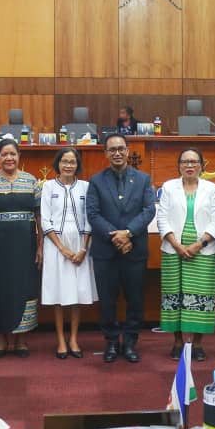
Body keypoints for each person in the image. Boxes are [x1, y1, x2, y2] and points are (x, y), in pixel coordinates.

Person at [86, 134, 155, 363]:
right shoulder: (96, 181)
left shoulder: (143, 179)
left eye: (120, 149)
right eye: (112, 149)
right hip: (106, 252)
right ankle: (112, 342)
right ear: (106, 153)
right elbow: (93, 213)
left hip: (134, 250)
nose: (117, 153)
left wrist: (128, 233)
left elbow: (148, 210)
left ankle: (131, 343)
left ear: (127, 151)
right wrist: (116, 236)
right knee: (107, 301)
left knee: (135, 299)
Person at [0, 139, 42, 359]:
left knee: (25, 288)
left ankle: (21, 340)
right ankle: (1, 340)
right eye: (4, 154)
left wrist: (40, 246)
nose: (9, 158)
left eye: (13, 154)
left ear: (19, 156)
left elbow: (40, 216)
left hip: (25, 247)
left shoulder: (31, 181)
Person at [157, 148, 215, 362]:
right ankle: (177, 341)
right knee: (174, 294)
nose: (189, 165)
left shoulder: (211, 189)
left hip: (203, 249)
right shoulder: (169, 187)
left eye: (194, 161)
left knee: (201, 295)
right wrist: (177, 245)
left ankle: (198, 343)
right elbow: (162, 218)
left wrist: (198, 244)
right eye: (185, 162)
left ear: (202, 165)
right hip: (173, 248)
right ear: (179, 166)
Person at [40, 147, 96, 359]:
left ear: (77, 165)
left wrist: (82, 249)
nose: (68, 165)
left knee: (76, 293)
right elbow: (45, 220)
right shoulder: (48, 186)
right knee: (58, 293)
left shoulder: (85, 187)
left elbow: (90, 218)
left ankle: (73, 338)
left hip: (81, 245)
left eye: (72, 162)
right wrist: (62, 248)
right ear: (58, 163)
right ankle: (61, 340)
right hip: (55, 245)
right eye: (64, 161)